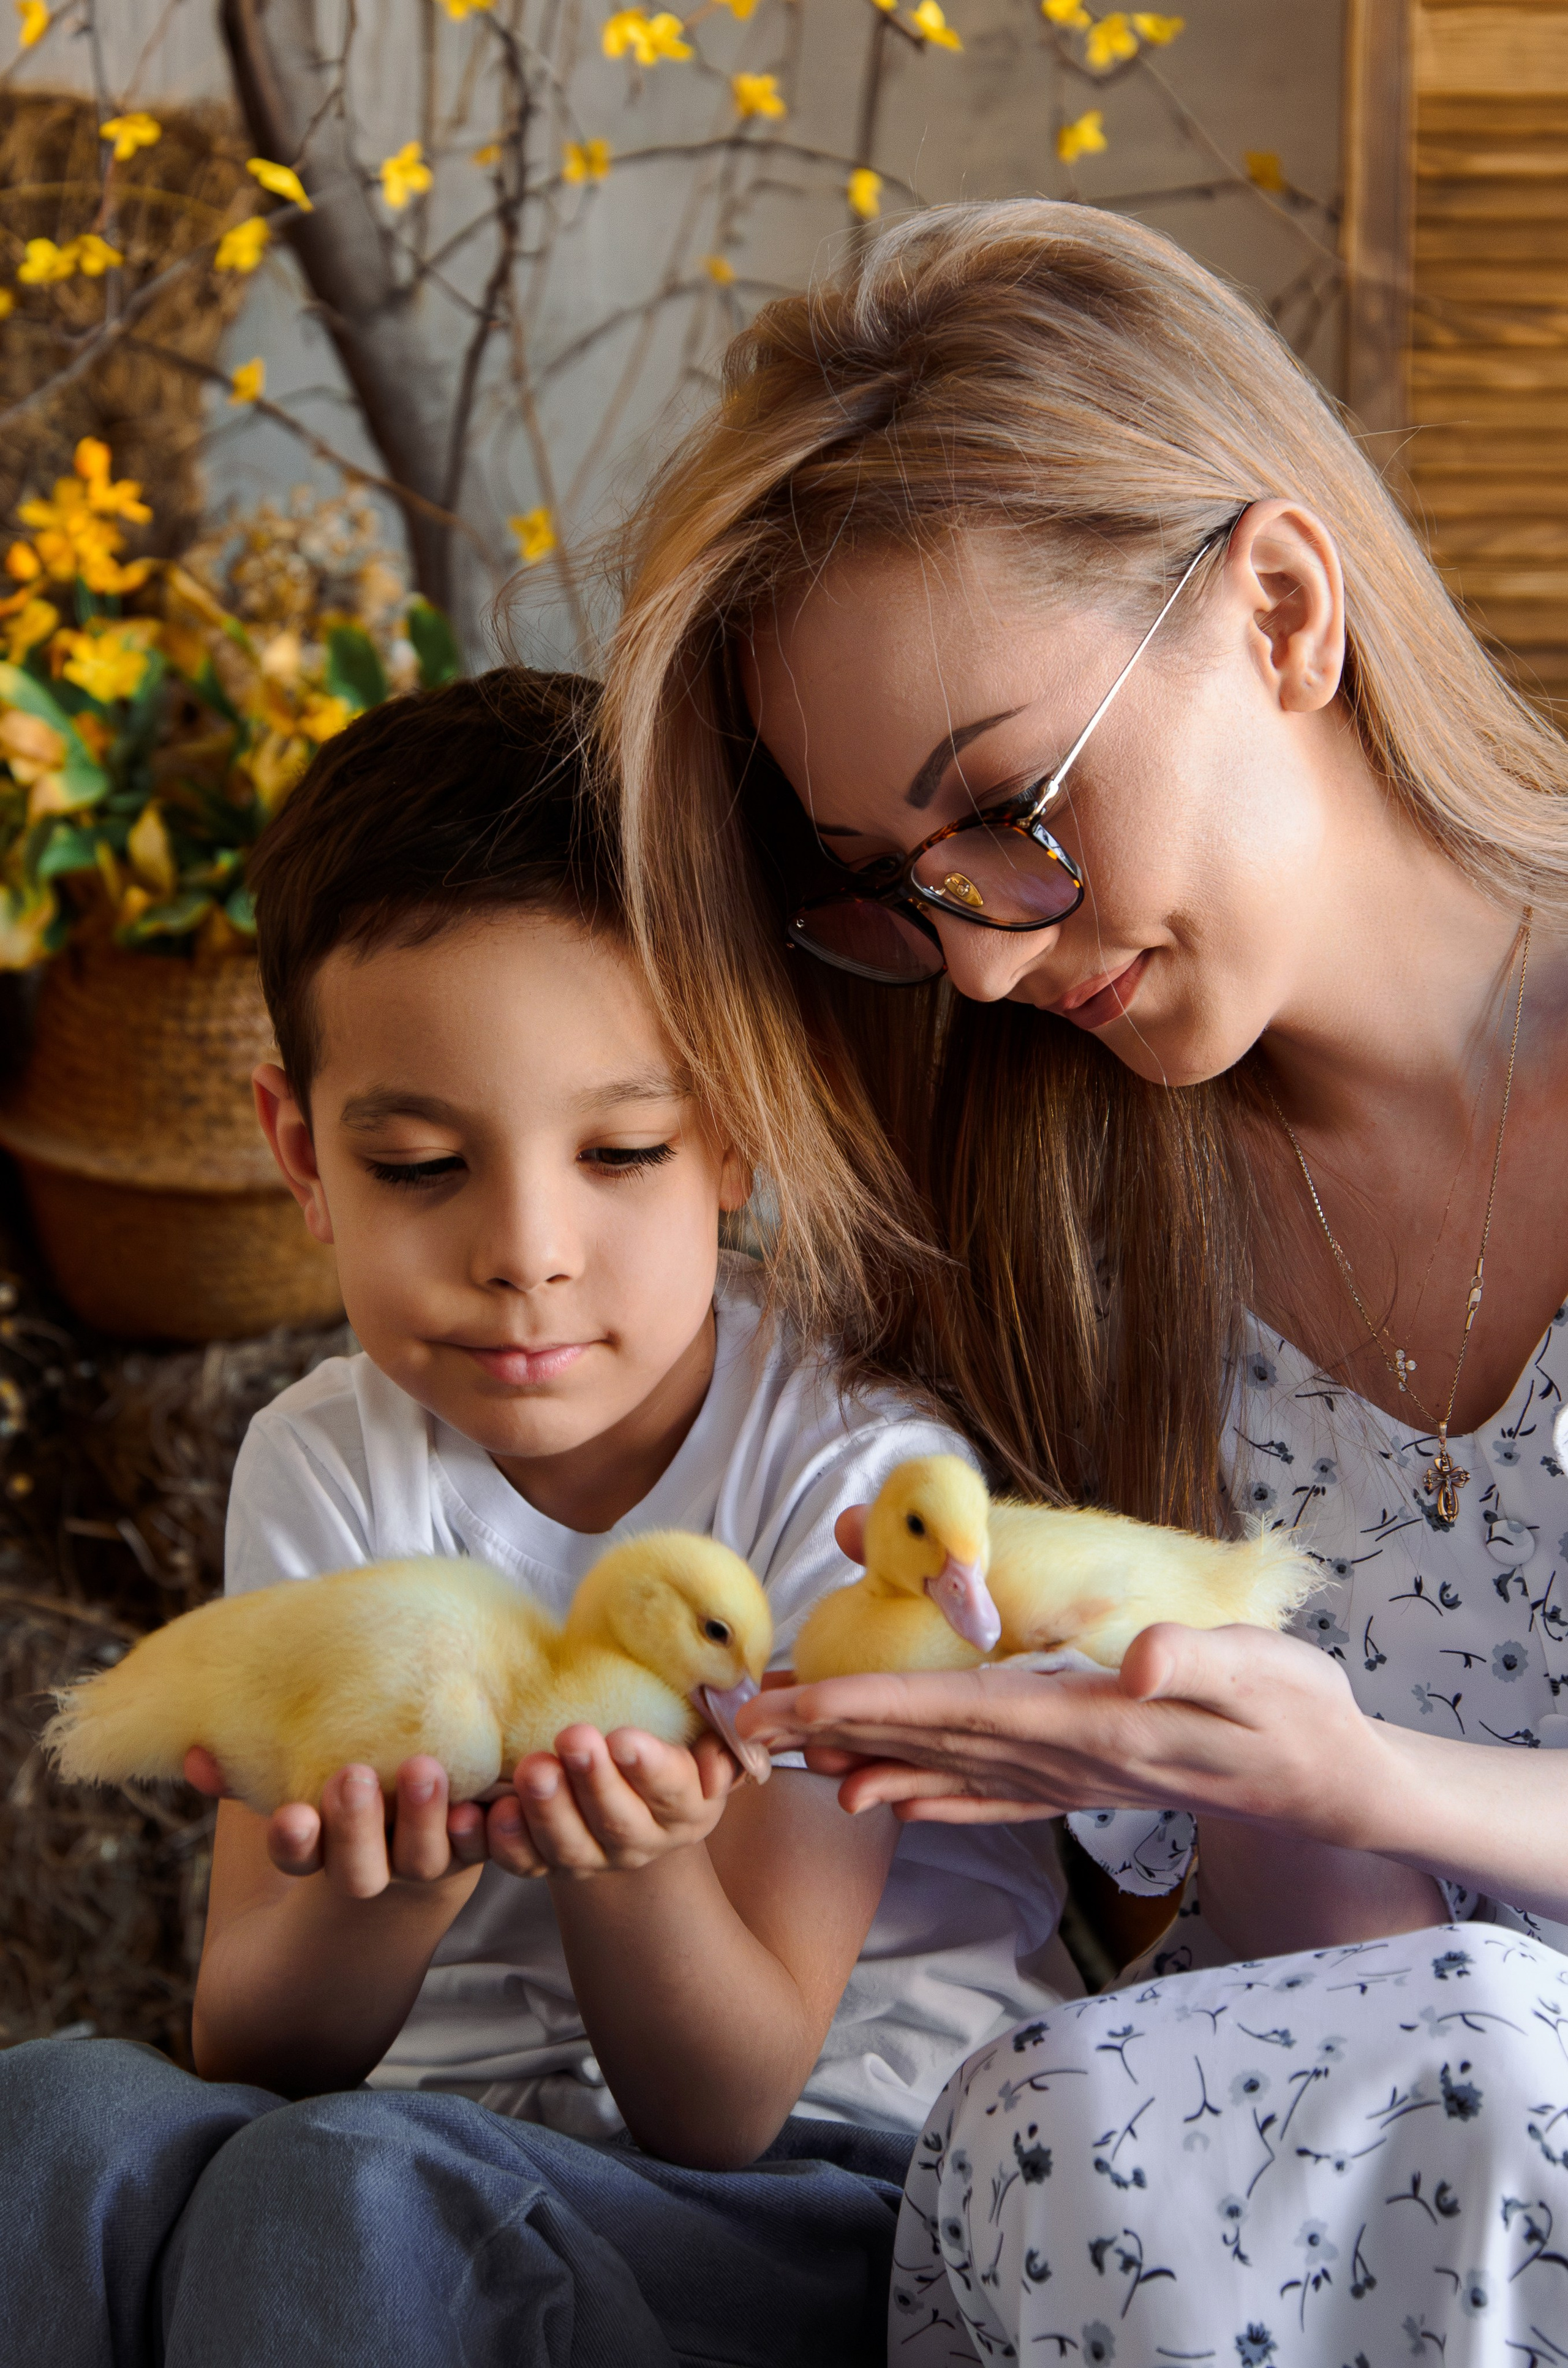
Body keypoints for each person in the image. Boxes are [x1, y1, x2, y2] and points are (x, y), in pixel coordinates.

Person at [599, 201, 1568, 2361]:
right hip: (1391, 2235)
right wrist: (1228, 1781)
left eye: (1009, 811)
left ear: (1286, 609)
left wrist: (1358, 1771)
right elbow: (1298, 2025)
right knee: (1073, 2116)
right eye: (887, 895)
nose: (985, 960)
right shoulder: (1068, 1240)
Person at [0, 668, 1085, 2368]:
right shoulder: (325, 1460)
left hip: (824, 2189)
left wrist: (633, 1866)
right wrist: (400, 1877)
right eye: (423, 1166)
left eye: (623, 1151)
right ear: (300, 1155)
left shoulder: (858, 1487)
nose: (525, 1250)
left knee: (342, 2195)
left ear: (737, 1129)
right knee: (48, 2124)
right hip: (401, 2162)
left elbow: (723, 2100)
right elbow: (253, 2047)